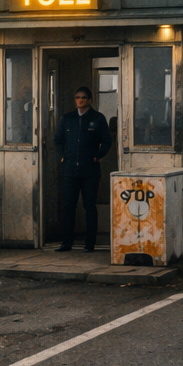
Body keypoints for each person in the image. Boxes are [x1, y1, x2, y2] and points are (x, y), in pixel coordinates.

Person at [53, 85, 113, 251]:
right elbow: (57, 139)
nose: (80, 100)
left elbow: (107, 140)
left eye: (84, 97)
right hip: (70, 170)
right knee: (69, 207)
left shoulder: (98, 118)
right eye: (77, 97)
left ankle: (90, 243)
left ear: (89, 100)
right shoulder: (67, 119)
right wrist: (62, 157)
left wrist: (98, 155)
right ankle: (67, 243)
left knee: (90, 206)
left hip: (90, 171)